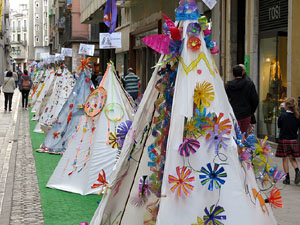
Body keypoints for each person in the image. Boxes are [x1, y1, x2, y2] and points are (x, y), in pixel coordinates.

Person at [225, 65, 258, 134]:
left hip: (233, 113)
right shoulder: (249, 84)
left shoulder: (228, 85)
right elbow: (255, 100)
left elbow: (225, 99)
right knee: (244, 135)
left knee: (234, 135)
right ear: (243, 72)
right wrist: (251, 111)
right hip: (246, 113)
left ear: (233, 74)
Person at [275, 97, 300, 185]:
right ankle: (297, 171)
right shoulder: (297, 116)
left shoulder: (282, 115)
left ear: (286, 106)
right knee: (292, 158)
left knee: (285, 159)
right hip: (293, 140)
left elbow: (279, 126)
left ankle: (287, 178)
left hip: (284, 140)